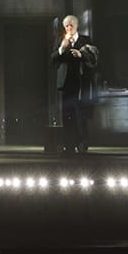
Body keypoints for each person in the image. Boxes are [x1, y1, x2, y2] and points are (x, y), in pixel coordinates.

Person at [51, 14, 98, 156]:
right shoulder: (61, 40)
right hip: (66, 84)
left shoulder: (85, 40)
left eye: (71, 25)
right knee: (67, 114)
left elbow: (94, 58)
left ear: (77, 26)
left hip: (81, 82)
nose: (69, 28)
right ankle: (69, 145)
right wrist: (61, 49)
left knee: (81, 114)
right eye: (66, 26)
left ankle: (82, 143)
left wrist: (81, 55)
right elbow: (53, 60)